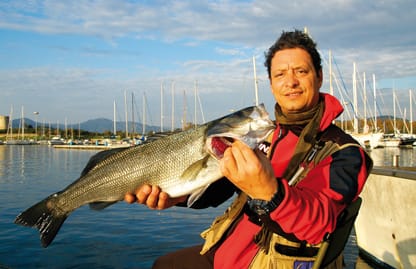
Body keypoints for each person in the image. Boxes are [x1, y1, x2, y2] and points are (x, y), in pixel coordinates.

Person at [125, 29, 372, 269]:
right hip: (228, 252)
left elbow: (321, 222)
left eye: (301, 71)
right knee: (165, 264)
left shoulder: (345, 152)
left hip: (274, 261)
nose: (291, 82)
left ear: (319, 76)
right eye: (280, 74)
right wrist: (176, 196)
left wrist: (270, 192)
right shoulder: (262, 135)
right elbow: (218, 189)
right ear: (271, 84)